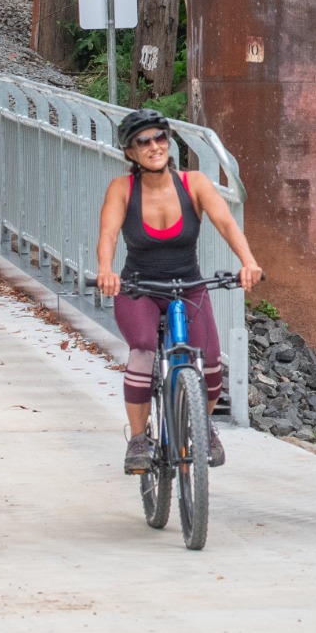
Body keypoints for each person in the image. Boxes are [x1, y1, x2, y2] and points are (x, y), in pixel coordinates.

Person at [96, 110, 262, 473]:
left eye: (160, 138)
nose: (154, 146)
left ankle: (200, 427)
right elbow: (108, 234)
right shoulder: (122, 189)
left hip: (188, 286)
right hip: (139, 287)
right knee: (142, 348)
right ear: (129, 152)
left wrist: (248, 262)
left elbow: (226, 224)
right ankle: (139, 438)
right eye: (144, 141)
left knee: (213, 365)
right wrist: (106, 271)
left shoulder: (194, 183)